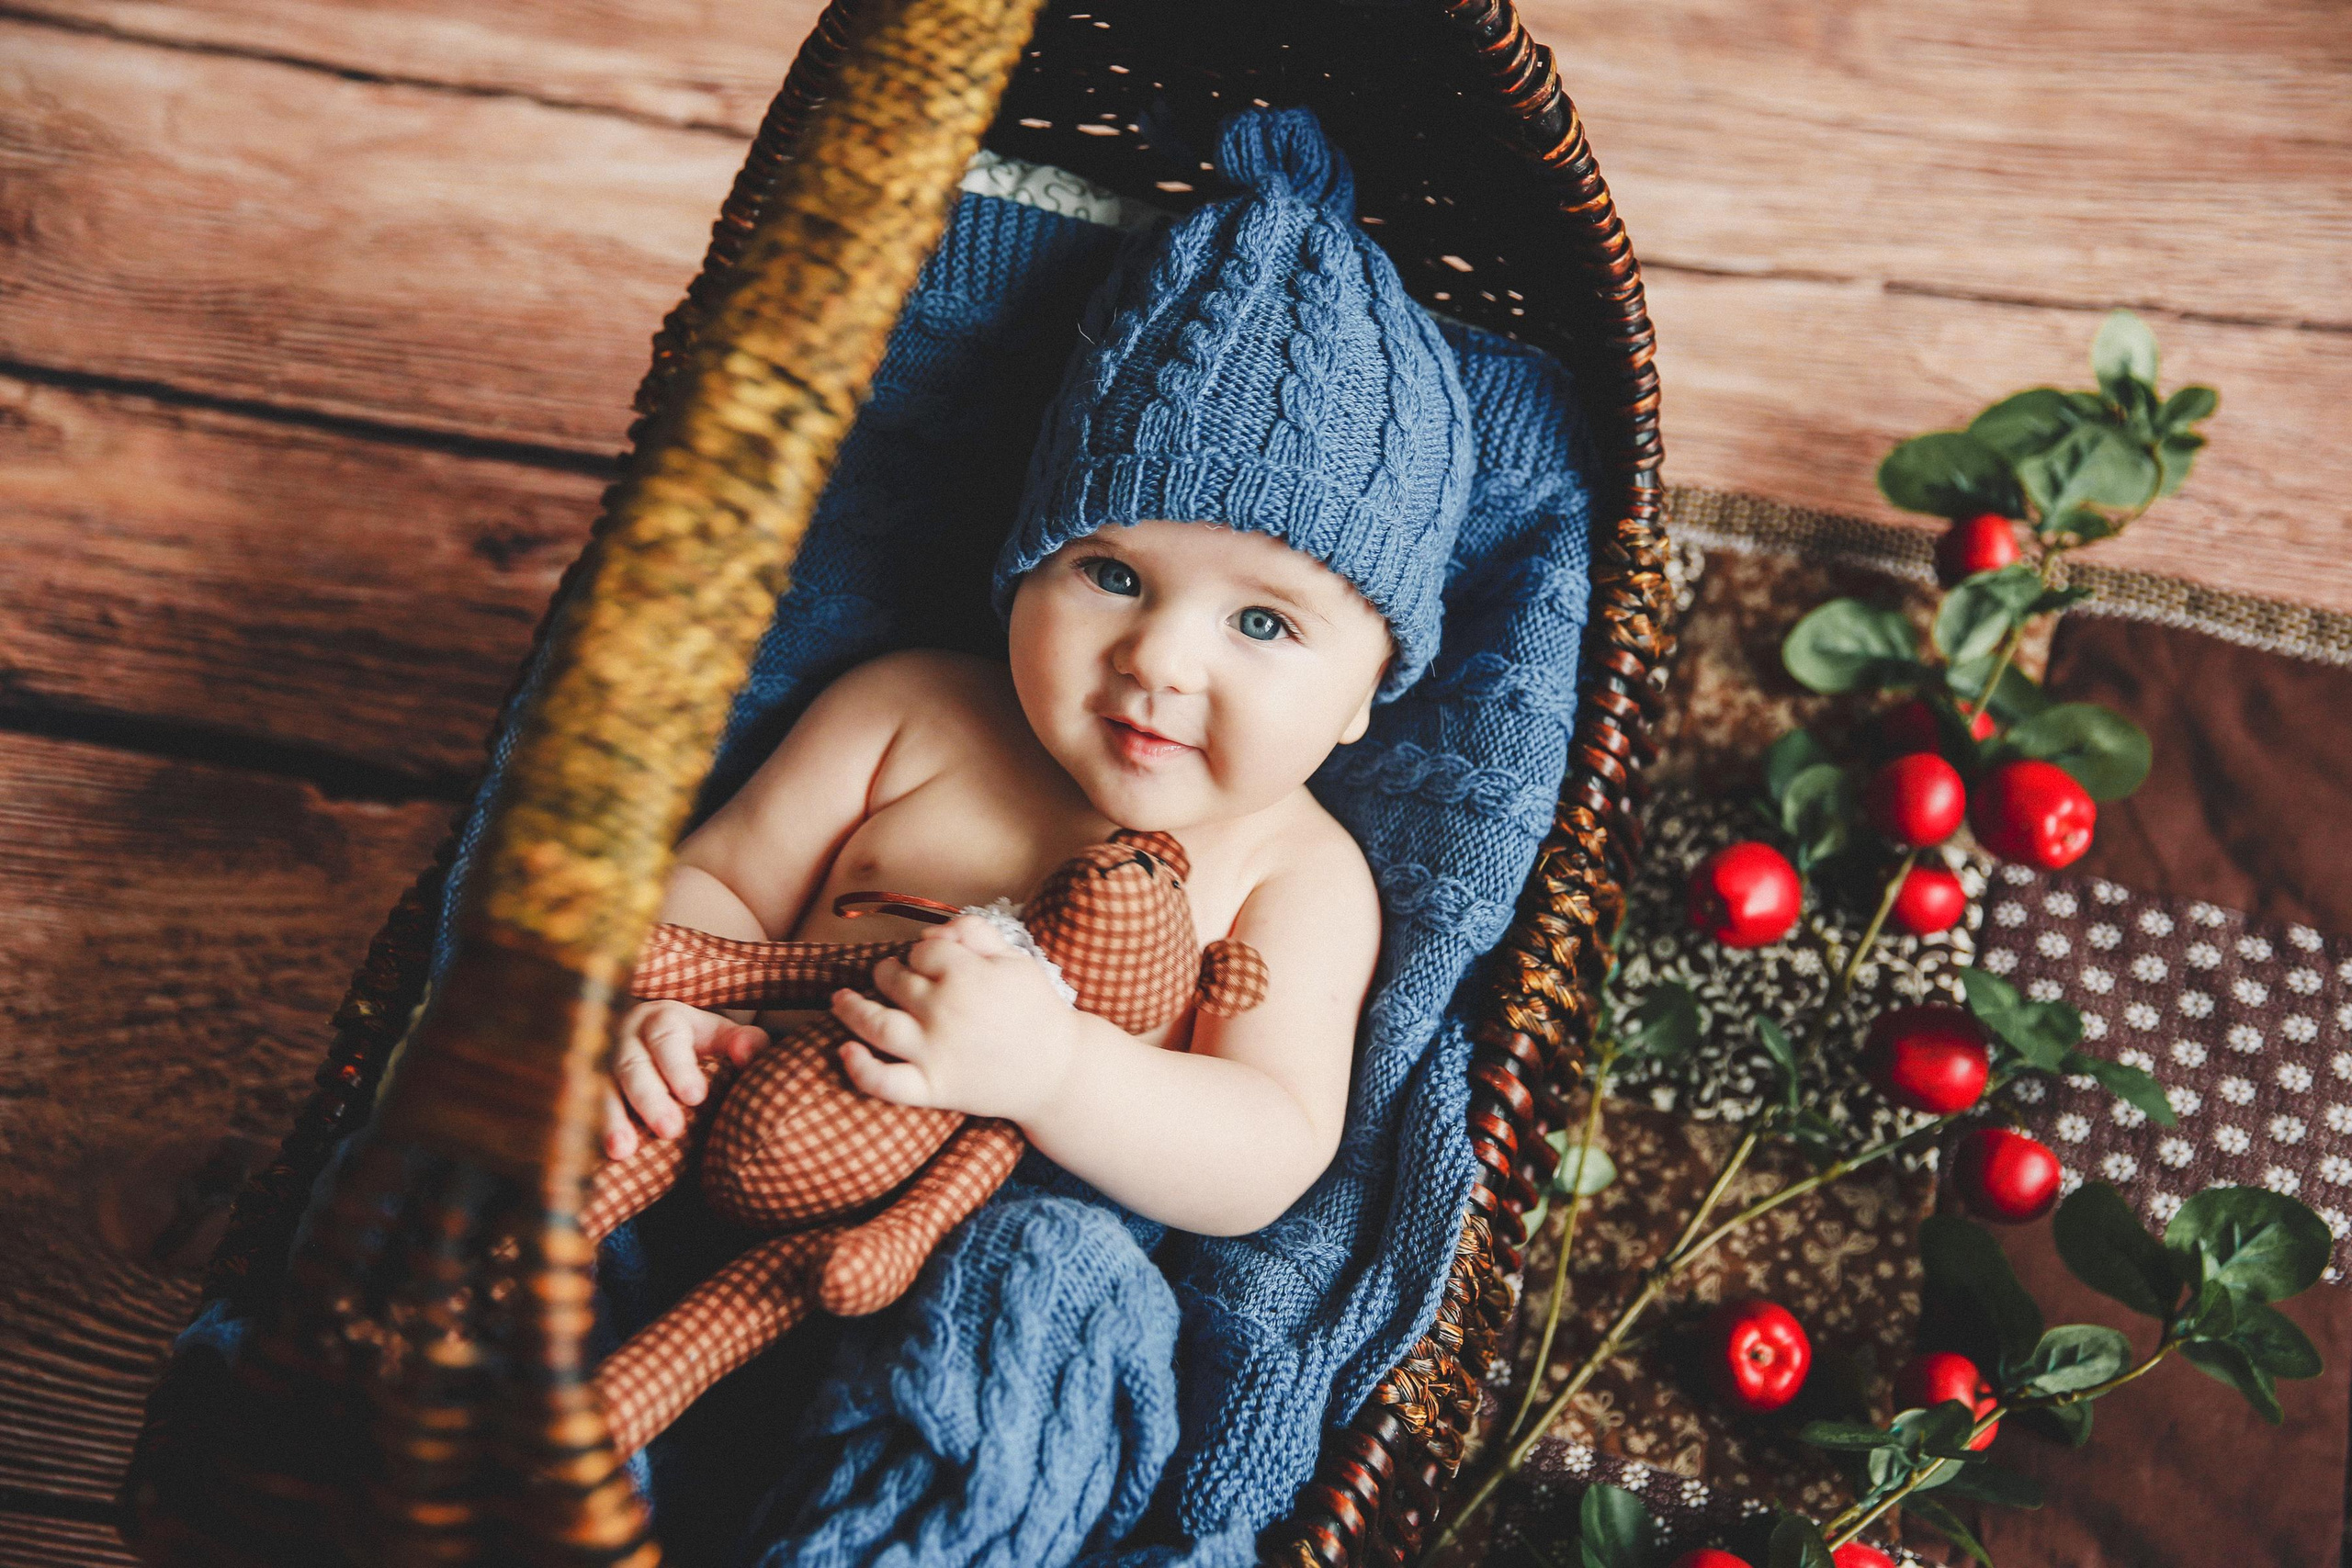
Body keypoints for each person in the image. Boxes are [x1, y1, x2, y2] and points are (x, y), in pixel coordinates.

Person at [598, 104, 1473, 1244]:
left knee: (1050, 1287)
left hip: (1003, 1257)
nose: (1159, 658)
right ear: (1022, 569)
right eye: (1110, 573)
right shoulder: (904, 716)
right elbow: (714, 892)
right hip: (729, 1156)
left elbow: (1267, 1148)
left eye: (1262, 623)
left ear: (1368, 691)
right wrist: (660, 1010)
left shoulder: (1293, 879)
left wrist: (1057, 1073)